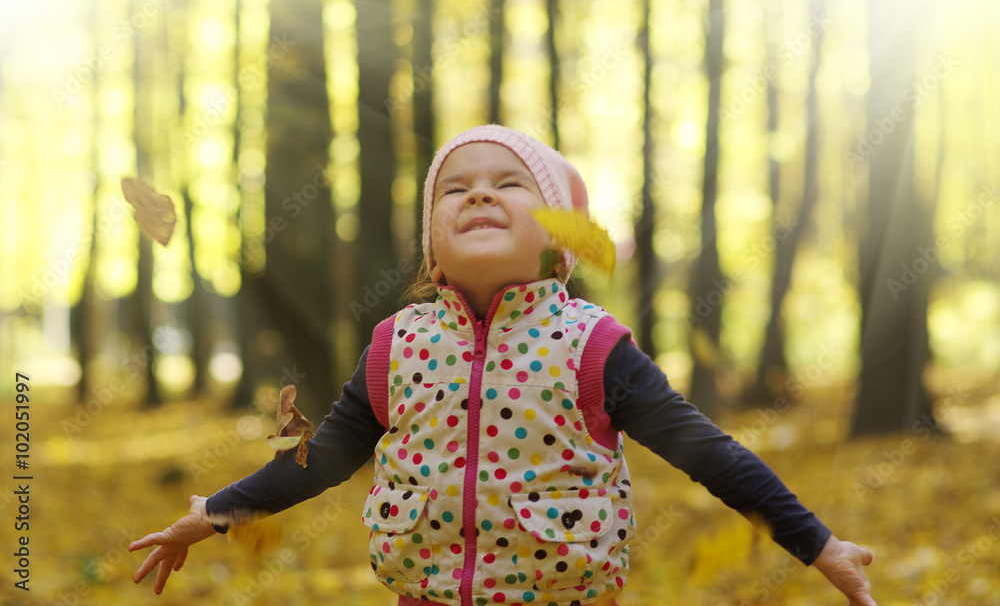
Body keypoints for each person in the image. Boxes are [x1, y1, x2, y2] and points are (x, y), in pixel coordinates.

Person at [130, 125, 876, 606]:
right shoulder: (399, 344)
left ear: (555, 243)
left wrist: (817, 542)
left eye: (509, 183)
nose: (479, 190)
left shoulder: (593, 345)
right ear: (432, 247)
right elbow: (319, 459)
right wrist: (213, 513)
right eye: (455, 189)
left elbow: (707, 451)